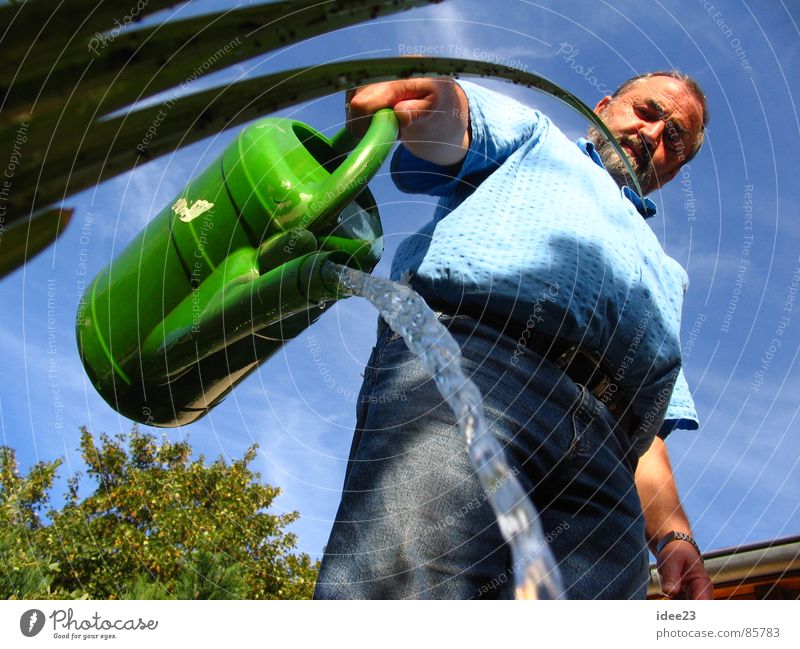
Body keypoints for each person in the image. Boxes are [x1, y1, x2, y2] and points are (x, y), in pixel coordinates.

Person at [313, 71, 714, 600]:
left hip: (609, 464)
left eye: (676, 137)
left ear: (675, 167)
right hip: (477, 368)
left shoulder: (668, 274)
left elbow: (651, 432)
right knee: (403, 596)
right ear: (604, 106)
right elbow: (457, 119)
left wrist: (673, 537)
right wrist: (421, 97)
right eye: (647, 110)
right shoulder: (536, 138)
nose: (655, 133)